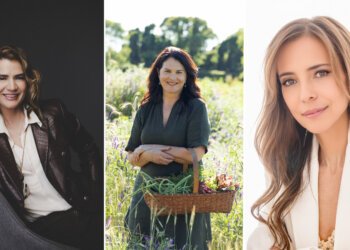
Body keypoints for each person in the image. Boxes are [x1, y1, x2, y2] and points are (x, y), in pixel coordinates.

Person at [248, 16, 350, 250]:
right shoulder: (283, 163)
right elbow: (266, 238)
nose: (305, 95)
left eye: (321, 73)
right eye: (290, 81)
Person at [0, 45, 103, 249]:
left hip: (77, 216)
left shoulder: (52, 114)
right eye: (2, 78)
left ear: (28, 81)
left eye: (18, 77)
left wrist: (92, 194)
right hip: (34, 232)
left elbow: (88, 146)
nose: (11, 86)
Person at [125, 46, 211, 249]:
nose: (173, 77)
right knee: (142, 243)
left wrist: (149, 148)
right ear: (158, 73)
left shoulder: (196, 107)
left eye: (179, 72)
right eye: (168, 71)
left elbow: (196, 154)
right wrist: (149, 155)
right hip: (145, 192)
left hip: (181, 193)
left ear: (187, 76)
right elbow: (131, 155)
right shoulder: (145, 109)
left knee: (179, 243)